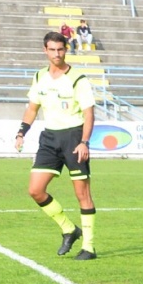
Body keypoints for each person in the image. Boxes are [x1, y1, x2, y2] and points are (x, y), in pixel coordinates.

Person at [14, 31, 98, 260]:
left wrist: (84, 142)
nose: (56, 54)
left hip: (74, 137)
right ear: (45, 50)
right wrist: (22, 132)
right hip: (50, 138)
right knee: (35, 190)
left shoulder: (78, 79)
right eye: (52, 49)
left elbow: (90, 113)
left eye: (60, 49)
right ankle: (69, 229)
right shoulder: (39, 76)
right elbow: (33, 108)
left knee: (82, 194)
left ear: (66, 50)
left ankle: (89, 247)